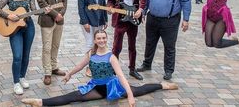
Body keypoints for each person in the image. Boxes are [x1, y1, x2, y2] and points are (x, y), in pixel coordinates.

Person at [21, 30, 178, 107]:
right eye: (99, 38)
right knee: (74, 96)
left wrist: (129, 95)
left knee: (140, 90)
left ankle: (162, 85)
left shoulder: (111, 57)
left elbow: (121, 76)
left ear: (106, 39)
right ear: (95, 40)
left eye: (104, 38)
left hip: (113, 86)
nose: (101, 40)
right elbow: (80, 65)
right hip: (96, 87)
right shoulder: (91, 53)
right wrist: (69, 73)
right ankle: (40, 102)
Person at [0, 0, 49, 95]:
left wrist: (44, 11)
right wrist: (9, 15)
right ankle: (16, 82)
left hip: (28, 27)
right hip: (14, 30)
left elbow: (34, 11)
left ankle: (22, 77)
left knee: (26, 55)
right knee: (17, 56)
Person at [137, 0, 191, 81]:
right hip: (153, 18)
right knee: (150, 43)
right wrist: (144, 11)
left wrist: (186, 19)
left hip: (170, 20)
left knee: (169, 46)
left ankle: (168, 70)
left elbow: (186, 1)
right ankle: (147, 64)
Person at [107, 0, 146, 80]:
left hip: (133, 17)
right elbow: (110, 1)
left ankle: (132, 69)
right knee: (116, 46)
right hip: (120, 18)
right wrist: (110, 8)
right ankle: (114, 70)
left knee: (132, 45)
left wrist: (140, 9)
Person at [36, 0, 68, 85]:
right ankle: (47, 72)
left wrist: (61, 14)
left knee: (55, 45)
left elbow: (64, 1)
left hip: (59, 21)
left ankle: (54, 67)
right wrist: (56, 15)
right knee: (47, 47)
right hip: (47, 21)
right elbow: (42, 3)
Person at [78, 0, 108, 77]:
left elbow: (103, 5)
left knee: (97, 44)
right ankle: (89, 67)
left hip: (99, 19)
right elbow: (80, 8)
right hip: (88, 21)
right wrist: (85, 22)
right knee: (90, 43)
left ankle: (96, 64)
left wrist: (105, 19)